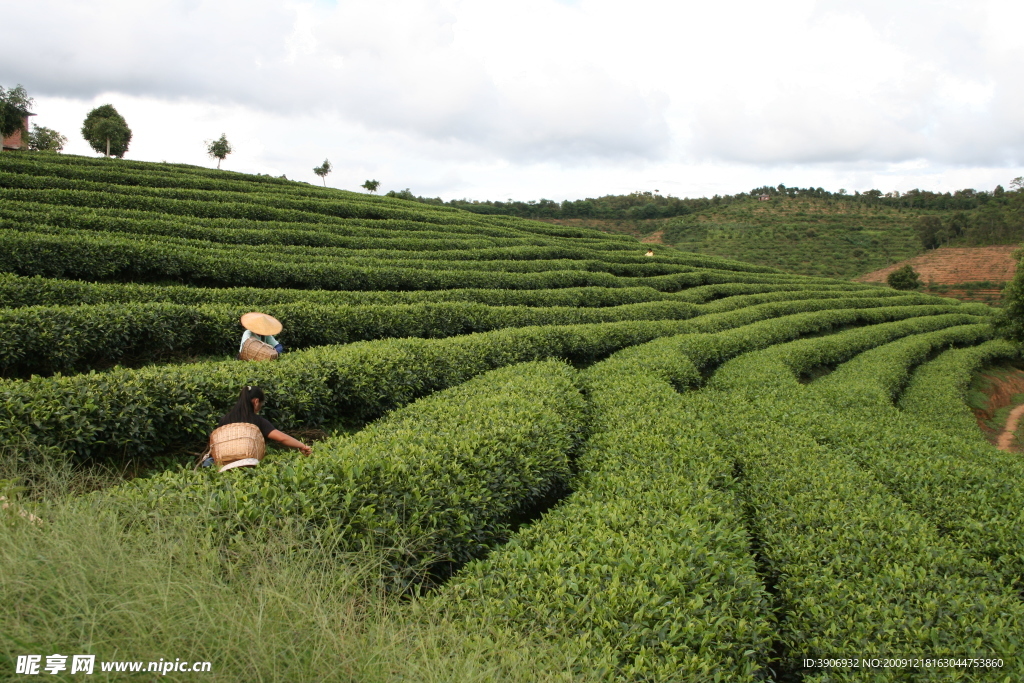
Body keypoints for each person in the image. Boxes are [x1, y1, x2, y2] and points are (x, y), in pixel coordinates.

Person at [201, 386, 312, 470]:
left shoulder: (224, 420)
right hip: (248, 462)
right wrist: (302, 446)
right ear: (256, 401)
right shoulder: (257, 421)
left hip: (224, 462)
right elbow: (281, 438)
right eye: (261, 404)